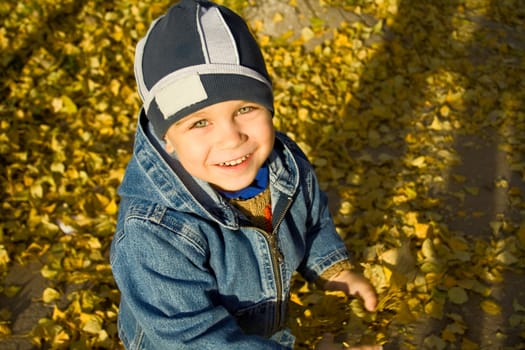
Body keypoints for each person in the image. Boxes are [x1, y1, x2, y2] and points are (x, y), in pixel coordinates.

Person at [110, 0, 381, 349]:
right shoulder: (154, 232)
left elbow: (313, 224)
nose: (231, 137)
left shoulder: (287, 167)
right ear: (167, 138)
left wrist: (334, 271)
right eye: (200, 122)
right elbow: (193, 340)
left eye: (246, 109)